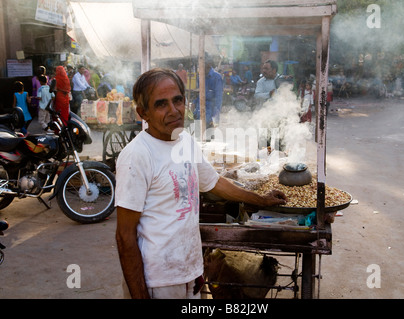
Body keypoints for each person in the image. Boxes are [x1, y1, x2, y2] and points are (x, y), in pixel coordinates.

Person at [115, 68, 286, 299]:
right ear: (143, 113)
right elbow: (125, 236)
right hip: (159, 280)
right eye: (161, 104)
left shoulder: (184, 139)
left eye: (178, 100)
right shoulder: (137, 155)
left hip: (188, 271)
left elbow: (213, 182)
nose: (174, 111)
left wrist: (260, 199)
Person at [193, 58, 223, 128]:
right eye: (199, 64)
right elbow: (200, 94)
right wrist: (194, 102)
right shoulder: (200, 77)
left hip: (210, 115)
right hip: (199, 111)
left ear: (208, 64)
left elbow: (219, 98)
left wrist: (215, 116)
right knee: (197, 136)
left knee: (208, 136)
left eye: (202, 64)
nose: (199, 67)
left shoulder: (217, 77)